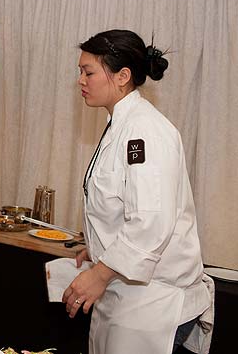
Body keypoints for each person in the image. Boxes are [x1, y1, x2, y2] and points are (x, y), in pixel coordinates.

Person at [63, 30, 212, 353]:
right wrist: (99, 246)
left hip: (155, 299)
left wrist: (100, 273)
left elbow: (151, 221)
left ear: (122, 76)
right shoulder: (121, 126)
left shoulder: (145, 131)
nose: (81, 80)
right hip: (126, 293)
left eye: (88, 72)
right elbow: (122, 203)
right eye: (80, 72)